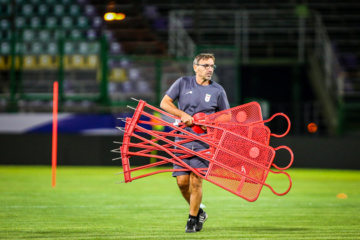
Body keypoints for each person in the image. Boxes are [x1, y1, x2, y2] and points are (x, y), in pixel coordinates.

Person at [160, 53, 230, 233]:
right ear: (195, 67)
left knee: (196, 181)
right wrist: (182, 114)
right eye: (206, 65)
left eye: (212, 66)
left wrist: (211, 122)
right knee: (182, 182)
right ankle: (200, 212)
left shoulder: (218, 90)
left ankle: (192, 220)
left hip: (204, 142)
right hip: (182, 139)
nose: (209, 69)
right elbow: (165, 103)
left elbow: (227, 115)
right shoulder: (183, 83)